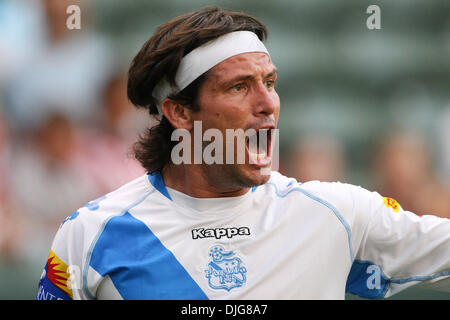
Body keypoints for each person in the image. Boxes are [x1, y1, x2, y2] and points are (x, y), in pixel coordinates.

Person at [36, 6, 449, 300]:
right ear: (179, 112)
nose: (268, 102)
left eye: (269, 81)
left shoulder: (338, 215)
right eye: (239, 86)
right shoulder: (90, 235)